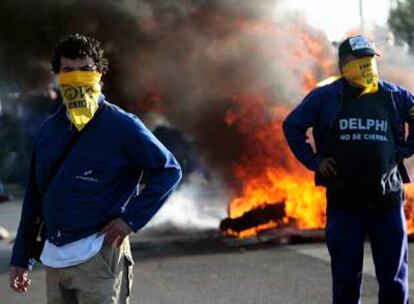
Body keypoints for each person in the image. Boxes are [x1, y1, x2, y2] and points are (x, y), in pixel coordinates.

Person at [9, 34, 182, 303]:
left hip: (99, 258)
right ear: (58, 76)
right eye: (68, 71)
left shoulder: (122, 126)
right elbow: (34, 198)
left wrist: (130, 220)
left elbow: (169, 170)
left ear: (100, 74)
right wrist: (21, 258)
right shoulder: (49, 131)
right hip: (55, 260)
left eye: (85, 70)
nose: (77, 78)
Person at [283, 35, 412, 304]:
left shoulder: (393, 95)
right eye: (359, 60)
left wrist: (404, 149)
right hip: (345, 206)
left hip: (387, 204)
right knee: (345, 280)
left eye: (370, 60)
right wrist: (316, 161)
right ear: (344, 64)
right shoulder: (325, 97)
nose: (367, 66)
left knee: (393, 281)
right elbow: (292, 126)